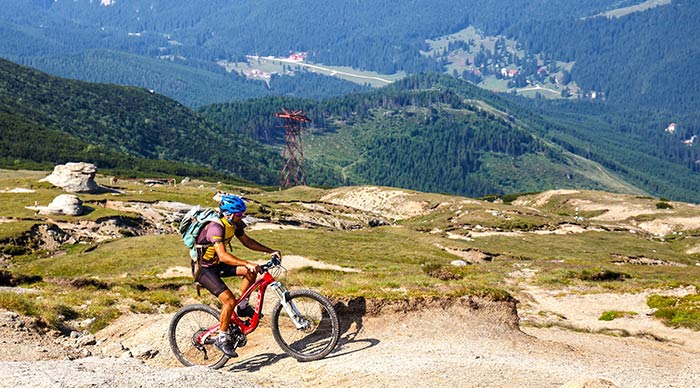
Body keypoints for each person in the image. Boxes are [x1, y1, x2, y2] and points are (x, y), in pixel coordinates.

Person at [193, 194, 281, 357]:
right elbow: (223, 256)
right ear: (228, 214)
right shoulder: (215, 227)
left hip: (218, 266)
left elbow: (248, 242)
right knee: (229, 300)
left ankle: (242, 307)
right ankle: (222, 337)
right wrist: (246, 262)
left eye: (242, 214)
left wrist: (270, 251)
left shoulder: (234, 224)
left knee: (250, 272)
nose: (242, 217)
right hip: (205, 270)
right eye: (239, 214)